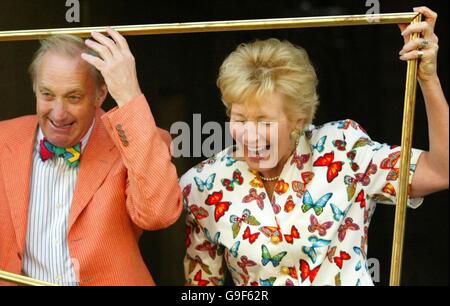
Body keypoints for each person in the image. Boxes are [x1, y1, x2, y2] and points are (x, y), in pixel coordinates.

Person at [180, 6, 448, 286]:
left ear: (299, 119)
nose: (250, 135)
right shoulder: (203, 185)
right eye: (240, 119)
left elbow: (441, 171)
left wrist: (428, 78)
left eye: (264, 121)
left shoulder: (344, 149)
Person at [0, 28, 182, 286]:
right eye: (47, 95)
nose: (58, 113)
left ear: (100, 95)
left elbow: (158, 214)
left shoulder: (135, 141)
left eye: (73, 97)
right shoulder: (3, 140)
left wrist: (129, 95)